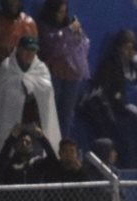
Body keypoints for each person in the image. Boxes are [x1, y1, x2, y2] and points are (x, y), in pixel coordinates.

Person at [84, 29, 137, 169]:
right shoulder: (111, 63)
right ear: (119, 47)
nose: (129, 51)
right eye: (126, 47)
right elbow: (105, 87)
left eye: (132, 48)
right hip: (121, 103)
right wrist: (118, 98)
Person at [0, 36, 61, 158]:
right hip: (11, 127)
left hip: (35, 125)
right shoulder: (7, 67)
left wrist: (31, 91)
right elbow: (0, 97)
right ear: (19, 49)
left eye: (33, 51)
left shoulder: (41, 69)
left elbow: (46, 93)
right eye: (27, 50)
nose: (30, 54)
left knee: (36, 159)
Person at [36, 0, 89, 139]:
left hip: (71, 74)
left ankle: (63, 147)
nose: (63, 15)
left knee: (67, 114)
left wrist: (78, 34)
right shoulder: (44, 25)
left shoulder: (69, 25)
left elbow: (83, 46)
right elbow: (51, 46)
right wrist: (68, 31)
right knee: (50, 113)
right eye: (60, 12)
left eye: (65, 11)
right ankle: (47, 147)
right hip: (53, 72)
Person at [0, 0, 37, 69]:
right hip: (1, 70)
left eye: (16, 1)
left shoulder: (28, 23)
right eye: (10, 3)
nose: (14, 4)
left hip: (23, 71)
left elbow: (31, 52)